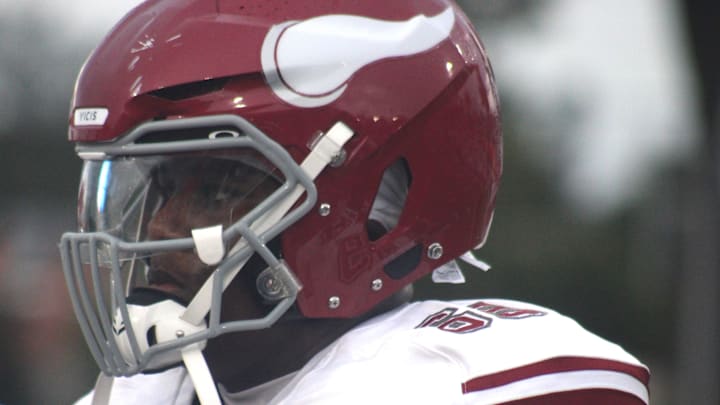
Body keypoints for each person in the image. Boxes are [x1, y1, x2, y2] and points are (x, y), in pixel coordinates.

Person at [59, 0, 650, 403]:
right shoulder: (142, 392)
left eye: (216, 189)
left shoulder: (440, 381)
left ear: (367, 209)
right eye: (163, 186)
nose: (161, 224)